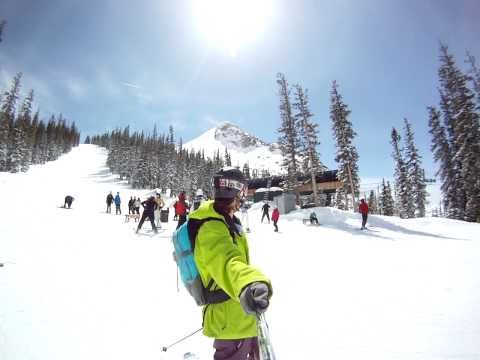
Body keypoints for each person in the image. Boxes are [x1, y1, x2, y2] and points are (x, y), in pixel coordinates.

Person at [189, 167, 272, 360]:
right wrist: (249, 283)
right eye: (243, 192)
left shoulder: (226, 221)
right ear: (237, 191)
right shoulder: (211, 227)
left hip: (242, 316)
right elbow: (227, 262)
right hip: (230, 322)